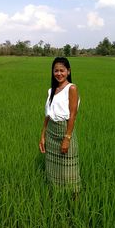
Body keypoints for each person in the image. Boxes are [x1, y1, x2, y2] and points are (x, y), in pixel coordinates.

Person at [39, 57, 81, 193]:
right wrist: (43, 136)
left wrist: (67, 138)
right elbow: (47, 115)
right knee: (52, 173)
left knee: (71, 175)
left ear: (68, 71)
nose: (59, 73)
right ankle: (55, 201)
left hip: (64, 131)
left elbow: (73, 115)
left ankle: (76, 206)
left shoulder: (72, 88)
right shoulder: (51, 91)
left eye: (62, 70)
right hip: (51, 133)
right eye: (56, 70)